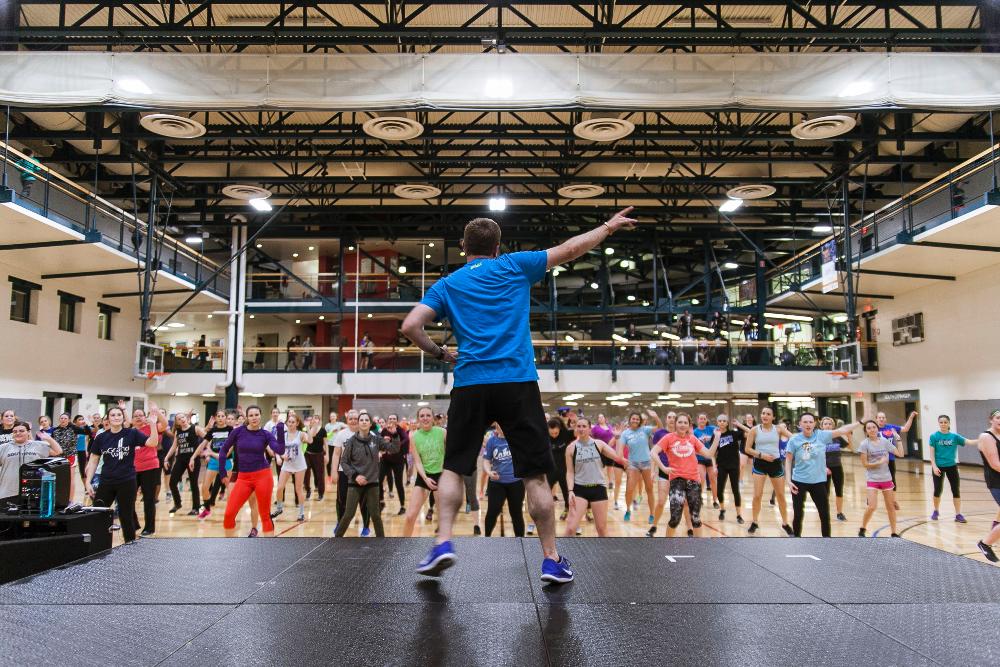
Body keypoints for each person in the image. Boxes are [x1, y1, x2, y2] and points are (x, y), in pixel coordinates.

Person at [402, 207, 637, 581]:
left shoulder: (448, 283)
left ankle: (443, 541)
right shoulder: (515, 265)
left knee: (454, 467)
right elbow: (571, 248)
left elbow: (411, 325)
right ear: (498, 247)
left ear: (464, 248)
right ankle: (550, 558)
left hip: (470, 382)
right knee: (535, 476)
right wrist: (608, 227)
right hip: (516, 382)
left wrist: (440, 353)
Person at [85, 407, 160, 543]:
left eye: (119, 414)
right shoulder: (101, 437)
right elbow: (94, 459)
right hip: (106, 481)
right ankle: (98, 546)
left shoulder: (132, 433)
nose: (116, 417)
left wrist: (153, 425)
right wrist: (88, 481)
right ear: (108, 418)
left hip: (127, 481)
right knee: (98, 513)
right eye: (113, 415)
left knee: (126, 516)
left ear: (123, 418)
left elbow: (152, 443)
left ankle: (129, 546)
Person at [785, 412, 863, 537]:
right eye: (805, 422)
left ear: (815, 424)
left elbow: (842, 430)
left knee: (824, 514)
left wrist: (860, 422)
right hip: (799, 482)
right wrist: (788, 481)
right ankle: (796, 540)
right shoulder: (794, 440)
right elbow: (788, 460)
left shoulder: (821, 435)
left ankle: (826, 542)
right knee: (798, 514)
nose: (808, 424)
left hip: (818, 482)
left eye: (811, 422)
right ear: (799, 424)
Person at [649, 412, 719, 537]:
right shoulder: (668, 438)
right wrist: (663, 468)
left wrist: (717, 438)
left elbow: (708, 454)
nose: (682, 425)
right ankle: (668, 546)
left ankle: (699, 550)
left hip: (694, 481)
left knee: (696, 518)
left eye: (685, 422)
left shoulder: (692, 439)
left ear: (689, 425)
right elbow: (653, 452)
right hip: (677, 481)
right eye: (680, 422)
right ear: (675, 424)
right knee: (675, 518)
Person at [218, 406, 283, 537]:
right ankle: (230, 549)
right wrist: (222, 472)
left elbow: (280, 450)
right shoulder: (237, 432)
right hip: (243, 478)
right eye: (251, 415)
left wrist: (280, 431)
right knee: (229, 514)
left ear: (260, 416)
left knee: (265, 515)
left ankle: (269, 551)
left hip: (263, 476)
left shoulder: (265, 434)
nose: (254, 417)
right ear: (247, 417)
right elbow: (223, 450)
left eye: (256, 415)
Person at [564, 417, 628, 537]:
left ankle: (606, 554)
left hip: (598, 489)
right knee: (571, 528)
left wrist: (618, 438)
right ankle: (561, 555)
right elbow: (570, 472)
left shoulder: (599, 444)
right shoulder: (571, 448)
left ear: (589, 429)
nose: (581, 429)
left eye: (584, 426)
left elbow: (618, 457)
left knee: (601, 529)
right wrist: (570, 491)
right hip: (579, 490)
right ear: (575, 428)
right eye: (579, 426)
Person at [334, 413, 386, 537]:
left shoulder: (372, 436)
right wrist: (333, 471)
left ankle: (367, 527)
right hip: (346, 473)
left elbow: (381, 450)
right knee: (344, 505)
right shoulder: (342, 434)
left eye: (365, 420)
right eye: (351, 418)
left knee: (368, 506)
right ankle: (339, 528)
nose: (353, 421)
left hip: (367, 476)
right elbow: (337, 455)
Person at [743, 407, 793, 535]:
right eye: (763, 413)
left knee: (781, 495)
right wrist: (761, 455)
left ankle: (785, 523)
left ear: (773, 417)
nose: (765, 415)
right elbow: (747, 449)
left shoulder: (778, 429)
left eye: (768, 414)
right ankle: (754, 522)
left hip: (775, 464)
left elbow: (794, 438)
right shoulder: (754, 430)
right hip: (760, 463)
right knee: (757, 495)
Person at [857, 420, 905, 537]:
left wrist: (898, 439)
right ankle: (862, 528)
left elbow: (900, 454)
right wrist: (879, 462)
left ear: (877, 429)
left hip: (886, 478)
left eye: (874, 427)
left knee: (890, 507)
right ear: (866, 431)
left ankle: (894, 532)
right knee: (872, 506)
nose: (872, 429)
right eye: (869, 428)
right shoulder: (864, 444)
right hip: (872, 479)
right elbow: (865, 464)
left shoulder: (884, 442)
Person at [403, 407, 445, 536]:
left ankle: (443, 547)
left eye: (428, 415)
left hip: (441, 475)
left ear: (432, 418)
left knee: (444, 517)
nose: (425, 418)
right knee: (410, 516)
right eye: (422, 416)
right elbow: (418, 462)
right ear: (418, 419)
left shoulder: (442, 432)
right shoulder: (414, 437)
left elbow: (450, 456)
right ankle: (404, 547)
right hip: (424, 476)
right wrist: (426, 479)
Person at [617, 409, 662, 523]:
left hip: (646, 463)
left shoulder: (645, 430)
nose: (635, 420)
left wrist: (655, 416)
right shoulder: (625, 433)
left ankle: (652, 514)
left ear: (640, 420)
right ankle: (628, 510)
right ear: (630, 420)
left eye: (637, 419)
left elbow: (660, 427)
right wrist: (622, 459)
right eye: (633, 419)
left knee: (649, 489)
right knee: (630, 489)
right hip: (633, 464)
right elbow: (620, 450)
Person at [929, 415, 976, 522]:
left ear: (949, 423)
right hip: (938, 467)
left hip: (952, 466)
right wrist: (934, 467)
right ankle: (936, 511)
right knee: (938, 490)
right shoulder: (934, 436)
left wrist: (982, 439)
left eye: (945, 422)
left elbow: (968, 441)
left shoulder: (954, 436)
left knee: (956, 490)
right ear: (939, 423)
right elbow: (931, 454)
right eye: (941, 422)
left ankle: (958, 514)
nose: (943, 424)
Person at [482, 424, 525, 536]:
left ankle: (521, 541)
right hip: (497, 484)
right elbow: (486, 460)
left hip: (516, 483)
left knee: (516, 514)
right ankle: (487, 538)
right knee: (492, 512)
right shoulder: (492, 441)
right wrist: (489, 472)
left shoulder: (517, 438)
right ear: (496, 425)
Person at [0, 421, 61, 500]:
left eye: (21, 431)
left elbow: (58, 451)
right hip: (7, 492)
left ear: (28, 432)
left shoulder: (38, 445)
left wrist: (49, 439)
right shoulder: (3, 447)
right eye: (15, 431)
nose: (18, 433)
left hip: (33, 490)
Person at [132, 405, 167, 537]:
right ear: (132, 419)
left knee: (148, 499)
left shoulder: (150, 428)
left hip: (150, 467)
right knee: (129, 498)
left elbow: (163, 424)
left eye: (141, 415)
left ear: (145, 417)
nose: (139, 418)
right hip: (133, 469)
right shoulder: (130, 432)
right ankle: (134, 524)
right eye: (136, 416)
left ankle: (149, 528)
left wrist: (157, 412)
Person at [193, 410, 235, 518]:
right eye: (218, 416)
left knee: (229, 488)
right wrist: (193, 457)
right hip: (213, 462)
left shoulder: (230, 430)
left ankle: (231, 511)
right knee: (205, 487)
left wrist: (211, 453)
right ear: (215, 418)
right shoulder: (212, 431)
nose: (220, 418)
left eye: (222, 416)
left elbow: (228, 451)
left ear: (225, 418)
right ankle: (207, 509)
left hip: (226, 462)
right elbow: (203, 444)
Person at [163, 412, 205, 515]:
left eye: (183, 417)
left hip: (193, 459)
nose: (182, 419)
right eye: (179, 419)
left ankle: (195, 508)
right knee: (172, 482)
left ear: (186, 418)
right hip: (181, 459)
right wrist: (166, 458)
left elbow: (207, 439)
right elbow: (174, 446)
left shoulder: (195, 428)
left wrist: (206, 451)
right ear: (177, 422)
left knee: (193, 483)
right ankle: (178, 503)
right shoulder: (178, 431)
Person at [272, 412, 311, 522]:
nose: (291, 424)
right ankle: (279, 508)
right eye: (289, 422)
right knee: (279, 487)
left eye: (293, 422)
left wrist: (307, 427)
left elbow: (311, 440)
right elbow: (276, 448)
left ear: (297, 423)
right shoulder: (283, 435)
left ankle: (301, 512)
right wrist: (280, 456)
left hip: (299, 465)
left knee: (298, 489)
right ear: (286, 423)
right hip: (287, 465)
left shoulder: (301, 434)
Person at [976, 410, 1000, 562]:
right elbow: (996, 465)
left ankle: (995, 526)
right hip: (997, 482)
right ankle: (985, 544)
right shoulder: (986, 437)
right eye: (998, 418)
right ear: (991, 419)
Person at [818, 416, 852, 522]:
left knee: (839, 490)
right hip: (824, 468)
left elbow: (851, 448)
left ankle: (839, 513)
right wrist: (823, 467)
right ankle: (824, 513)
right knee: (824, 492)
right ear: (822, 426)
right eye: (825, 424)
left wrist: (849, 436)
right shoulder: (818, 438)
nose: (828, 425)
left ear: (833, 426)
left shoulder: (837, 437)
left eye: (830, 424)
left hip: (837, 467)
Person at [712, 414, 744, 524]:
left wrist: (739, 425)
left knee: (736, 490)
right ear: (717, 422)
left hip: (734, 466)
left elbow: (749, 433)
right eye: (719, 420)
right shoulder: (716, 436)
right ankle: (722, 509)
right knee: (720, 490)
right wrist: (714, 466)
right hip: (721, 466)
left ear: (727, 423)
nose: (722, 422)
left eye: (724, 421)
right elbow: (712, 453)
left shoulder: (734, 434)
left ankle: (739, 515)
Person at [875, 410, 918, 487]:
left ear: (886, 419)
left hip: (890, 458)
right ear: (876, 419)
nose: (881, 419)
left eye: (883, 417)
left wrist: (911, 417)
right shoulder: (873, 429)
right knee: (877, 482)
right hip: (878, 459)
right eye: (879, 417)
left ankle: (892, 498)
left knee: (892, 481)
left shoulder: (891, 427)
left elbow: (905, 429)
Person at [379, 414, 409, 515]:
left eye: (394, 419)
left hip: (398, 461)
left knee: (399, 483)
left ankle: (402, 506)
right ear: (388, 420)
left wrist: (394, 444)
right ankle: (381, 501)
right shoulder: (384, 430)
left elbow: (406, 439)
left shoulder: (400, 430)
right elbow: (380, 440)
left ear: (397, 420)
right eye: (390, 418)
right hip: (386, 460)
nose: (392, 420)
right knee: (379, 479)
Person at [592, 413, 623, 509]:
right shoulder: (595, 428)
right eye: (599, 417)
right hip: (600, 450)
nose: (600, 418)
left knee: (610, 467)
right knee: (600, 467)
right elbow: (592, 437)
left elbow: (615, 435)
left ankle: (610, 482)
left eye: (602, 417)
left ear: (605, 418)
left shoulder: (609, 427)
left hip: (610, 449)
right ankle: (600, 482)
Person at [546, 417, 572, 520]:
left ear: (559, 429)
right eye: (551, 433)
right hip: (550, 470)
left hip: (564, 469)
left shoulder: (566, 434)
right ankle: (546, 512)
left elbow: (579, 432)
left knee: (567, 492)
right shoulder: (544, 436)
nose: (553, 435)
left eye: (556, 433)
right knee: (545, 493)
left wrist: (575, 422)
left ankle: (567, 509)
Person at [49, 413, 79, 499]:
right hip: (58, 457)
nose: (63, 420)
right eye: (61, 418)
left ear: (69, 420)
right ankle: (58, 498)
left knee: (70, 479)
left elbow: (87, 431)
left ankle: (71, 499)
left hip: (70, 455)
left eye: (65, 418)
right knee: (58, 478)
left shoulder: (73, 429)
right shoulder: (55, 430)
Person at [693, 412, 718, 508]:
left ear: (706, 420)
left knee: (713, 479)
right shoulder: (695, 432)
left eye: (704, 419)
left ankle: (715, 500)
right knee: (701, 479)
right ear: (698, 420)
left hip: (710, 458)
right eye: (701, 418)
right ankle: (699, 497)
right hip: (700, 458)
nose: (702, 420)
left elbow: (720, 430)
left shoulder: (711, 429)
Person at [303, 415, 328, 501]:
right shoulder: (308, 429)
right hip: (308, 454)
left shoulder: (323, 430)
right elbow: (312, 438)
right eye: (314, 418)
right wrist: (313, 427)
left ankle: (321, 493)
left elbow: (325, 443)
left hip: (319, 454)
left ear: (320, 420)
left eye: (317, 418)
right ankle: (308, 491)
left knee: (320, 475)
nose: (315, 420)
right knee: (306, 473)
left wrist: (327, 455)